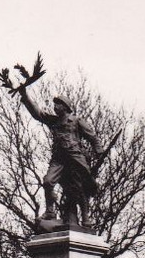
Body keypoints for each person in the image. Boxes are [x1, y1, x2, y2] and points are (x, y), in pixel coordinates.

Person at [18, 87, 100, 226]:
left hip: (75, 157)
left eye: (58, 104)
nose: (55, 107)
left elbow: (92, 136)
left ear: (66, 107)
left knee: (80, 187)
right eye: (55, 104)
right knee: (48, 182)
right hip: (59, 159)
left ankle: (85, 217)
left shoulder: (76, 120)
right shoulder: (53, 121)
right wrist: (24, 95)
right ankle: (50, 211)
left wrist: (98, 149)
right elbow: (37, 113)